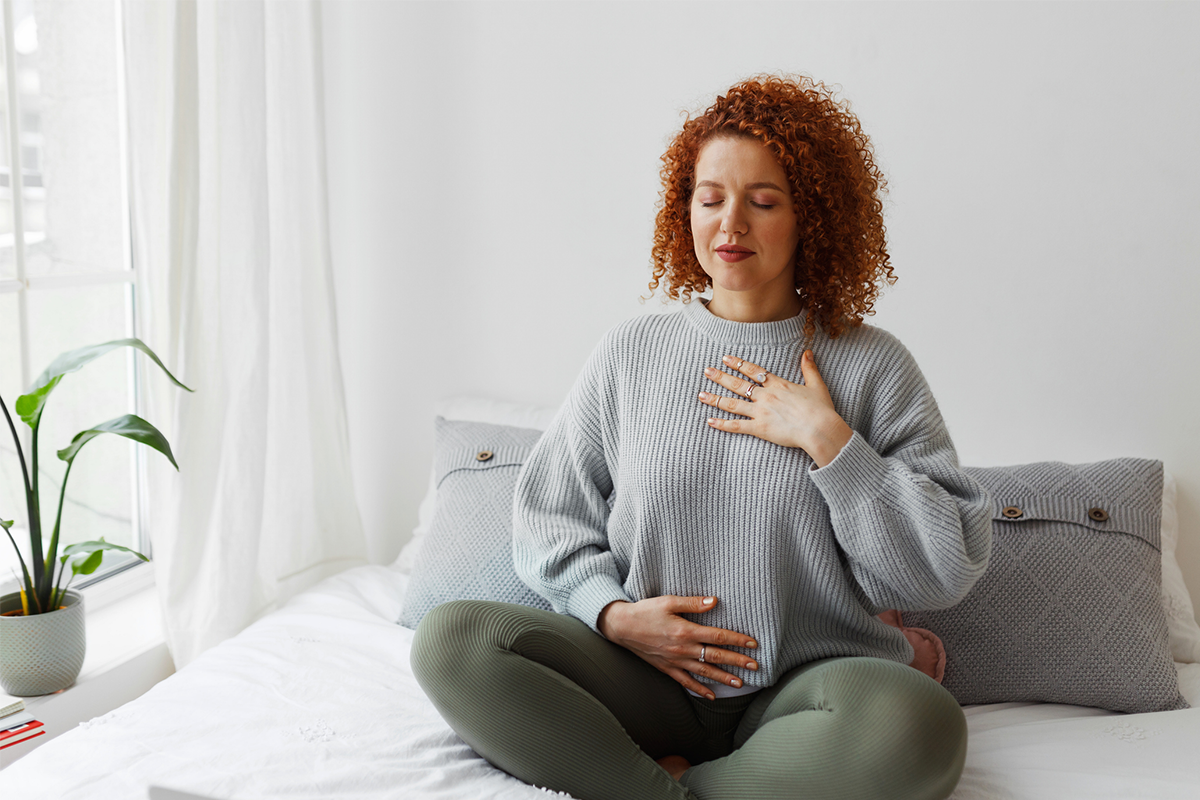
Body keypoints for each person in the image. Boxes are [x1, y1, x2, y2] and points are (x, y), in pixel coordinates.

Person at [411, 75, 993, 800]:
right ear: (682, 208)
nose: (731, 227)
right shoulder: (631, 353)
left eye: (764, 201)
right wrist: (613, 616)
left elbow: (944, 566)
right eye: (711, 198)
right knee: (455, 641)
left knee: (920, 725)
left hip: (806, 691)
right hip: (642, 680)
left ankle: (661, 786)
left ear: (812, 214)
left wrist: (831, 443)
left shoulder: (872, 364)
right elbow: (547, 517)